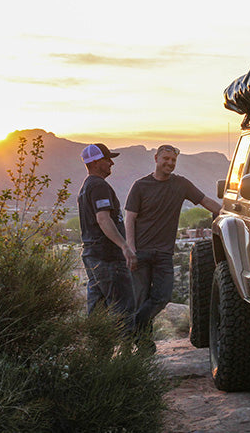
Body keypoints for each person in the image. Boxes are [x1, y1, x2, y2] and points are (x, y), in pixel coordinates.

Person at [125, 144, 221, 346]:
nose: (169, 163)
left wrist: (227, 213)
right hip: (140, 252)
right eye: (166, 159)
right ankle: (144, 345)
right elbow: (129, 219)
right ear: (156, 159)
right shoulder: (140, 186)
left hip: (163, 253)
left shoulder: (181, 185)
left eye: (173, 161)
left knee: (162, 297)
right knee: (141, 300)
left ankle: (133, 326)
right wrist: (130, 249)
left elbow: (206, 201)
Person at [77, 143, 137, 330]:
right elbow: (103, 219)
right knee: (124, 307)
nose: (111, 163)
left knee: (98, 309)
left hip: (92, 254)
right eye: (107, 159)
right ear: (95, 162)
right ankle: (131, 354)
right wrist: (124, 246)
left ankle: (97, 353)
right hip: (107, 256)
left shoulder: (86, 186)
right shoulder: (99, 186)